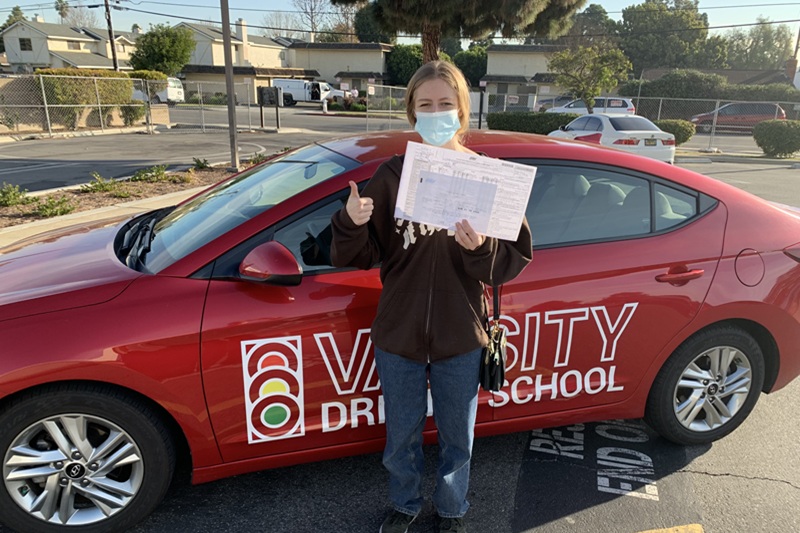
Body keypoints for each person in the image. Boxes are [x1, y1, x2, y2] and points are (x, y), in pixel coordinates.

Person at [329, 61, 532, 533]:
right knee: (401, 435)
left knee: (458, 437)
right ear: (412, 113)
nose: (436, 113)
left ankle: (451, 509)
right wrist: (351, 222)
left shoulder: (489, 177)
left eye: (446, 104)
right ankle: (403, 504)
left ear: (462, 111)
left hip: (460, 333)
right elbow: (361, 254)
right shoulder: (393, 175)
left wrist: (480, 249)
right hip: (398, 333)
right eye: (426, 105)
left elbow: (512, 261)